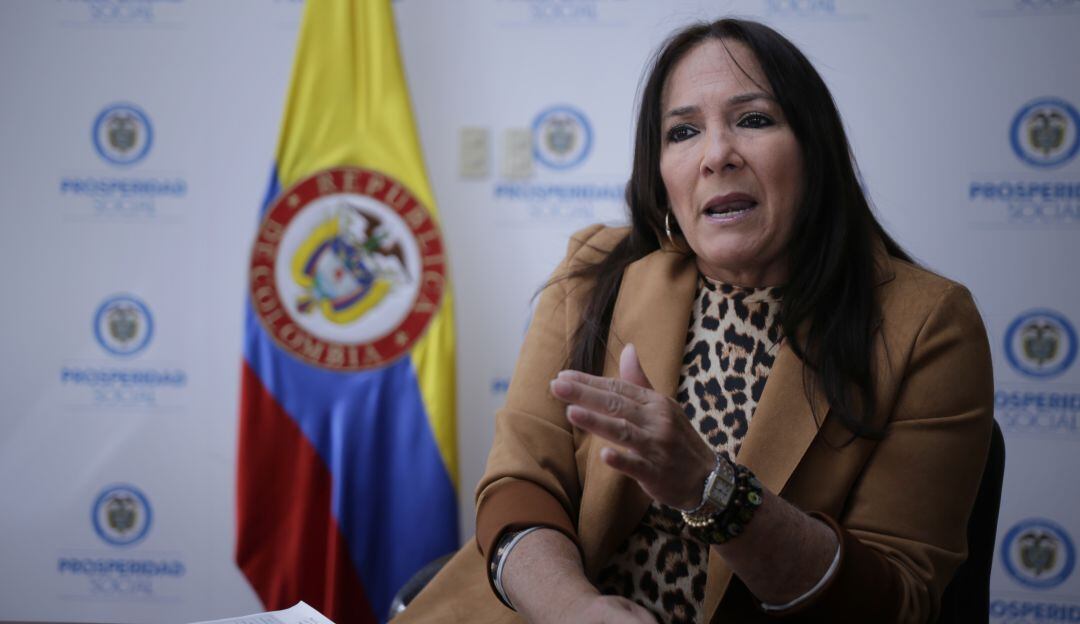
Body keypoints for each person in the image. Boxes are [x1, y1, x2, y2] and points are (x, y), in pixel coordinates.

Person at [397, 17, 993, 624]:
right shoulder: (594, 272)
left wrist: (711, 489)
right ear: (660, 174)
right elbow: (519, 485)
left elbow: (898, 602)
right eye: (683, 132)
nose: (716, 156)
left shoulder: (928, 325)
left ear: (815, 148)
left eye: (753, 120)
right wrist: (575, 610)